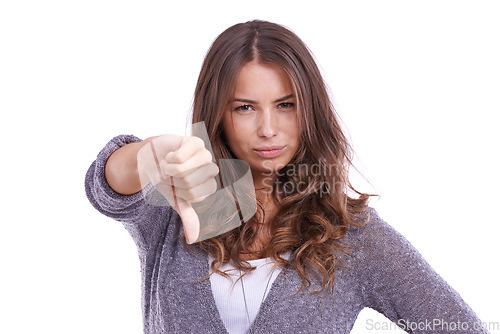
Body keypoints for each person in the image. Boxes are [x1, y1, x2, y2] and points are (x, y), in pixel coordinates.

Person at [85, 20, 488, 334]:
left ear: (308, 109)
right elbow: (106, 189)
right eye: (245, 107)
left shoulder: (350, 234)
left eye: (285, 105)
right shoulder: (175, 204)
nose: (268, 128)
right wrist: (149, 154)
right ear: (218, 114)